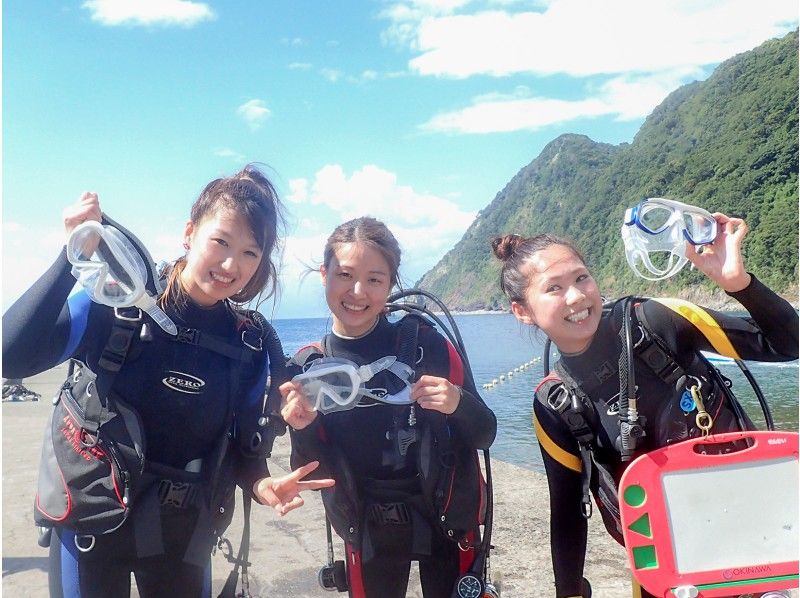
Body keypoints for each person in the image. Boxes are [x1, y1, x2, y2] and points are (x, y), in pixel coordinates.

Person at [2, 165, 334, 598]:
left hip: (183, 532)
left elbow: (242, 449)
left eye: (251, 253)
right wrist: (71, 255)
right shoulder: (116, 302)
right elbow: (12, 356)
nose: (232, 264)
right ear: (190, 232)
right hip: (92, 525)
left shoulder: (248, 346)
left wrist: (262, 483)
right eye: (220, 242)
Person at [491, 214, 798, 598]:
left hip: (751, 540)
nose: (577, 297)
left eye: (581, 278)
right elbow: (568, 511)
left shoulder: (656, 321)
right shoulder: (555, 401)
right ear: (523, 311)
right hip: (663, 570)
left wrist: (739, 285)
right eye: (553, 288)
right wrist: (568, 591)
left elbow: (786, 344)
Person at [280, 216, 497, 598]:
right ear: (323, 274)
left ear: (391, 284)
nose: (358, 291)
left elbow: (485, 432)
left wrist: (457, 403)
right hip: (366, 524)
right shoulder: (310, 368)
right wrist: (304, 427)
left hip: (446, 516)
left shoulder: (427, 345)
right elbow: (312, 472)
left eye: (375, 279)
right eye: (345, 275)